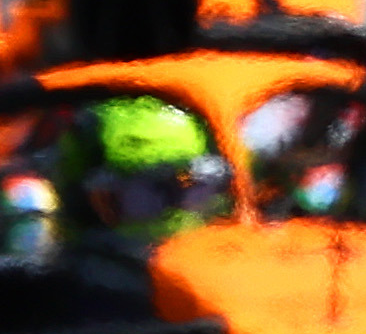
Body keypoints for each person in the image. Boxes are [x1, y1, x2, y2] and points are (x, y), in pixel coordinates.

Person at [53, 93, 235, 247]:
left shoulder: (92, 123)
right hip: (168, 247)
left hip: (117, 244)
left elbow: (69, 183)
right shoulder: (190, 120)